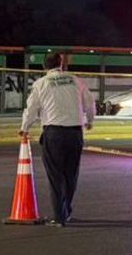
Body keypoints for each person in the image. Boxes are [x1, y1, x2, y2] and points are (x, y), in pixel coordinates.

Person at [19, 53, 95, 226]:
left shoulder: (41, 84)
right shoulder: (75, 80)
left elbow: (32, 108)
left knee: (56, 176)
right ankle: (66, 211)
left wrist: (24, 128)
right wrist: (90, 120)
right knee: (71, 174)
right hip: (75, 133)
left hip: (54, 133)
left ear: (44, 66)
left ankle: (59, 217)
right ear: (61, 64)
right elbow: (90, 102)